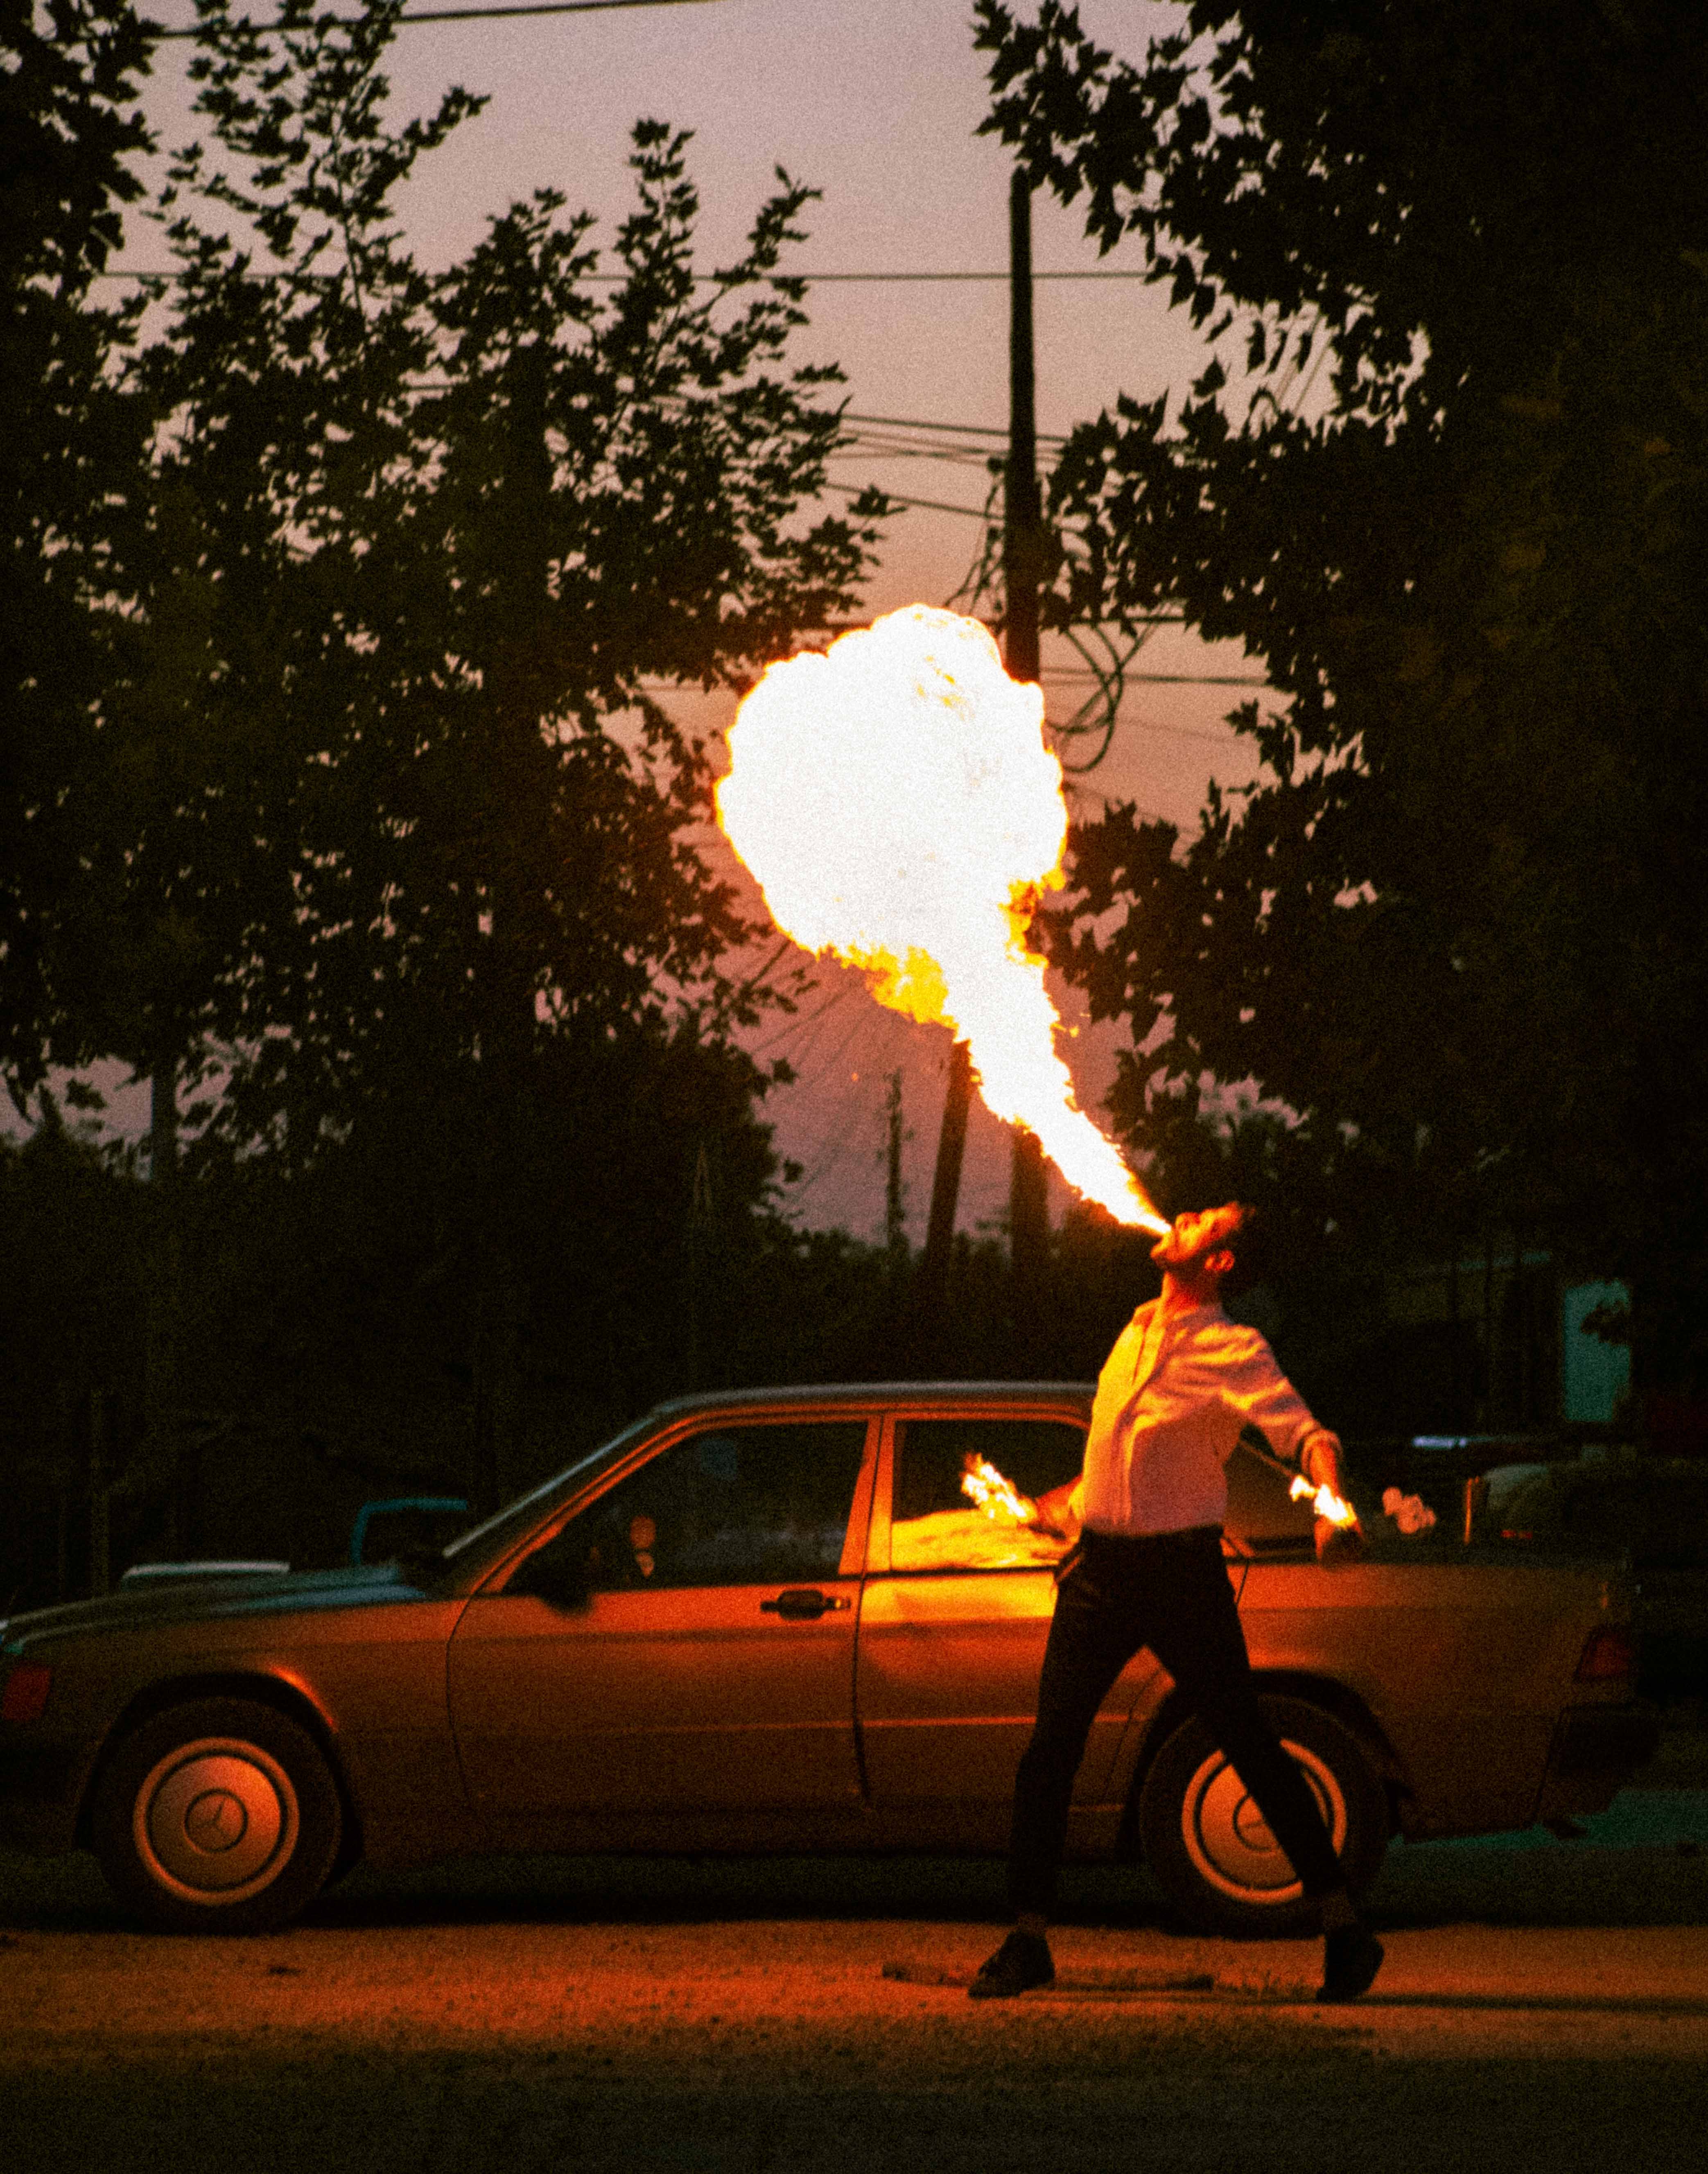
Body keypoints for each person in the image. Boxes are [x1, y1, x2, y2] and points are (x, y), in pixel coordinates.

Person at [969, 1202, 1385, 2004]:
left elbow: (1306, 1436)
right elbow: (1125, 1457)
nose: (1182, 1217)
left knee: (1248, 1746)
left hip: (1180, 1577)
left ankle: (1344, 1930)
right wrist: (1058, 1503)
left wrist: (1333, 1510)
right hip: (1098, 1575)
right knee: (1049, 1750)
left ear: (1221, 1262)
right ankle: (1027, 1941)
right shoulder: (1133, 1329)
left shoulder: (1234, 1350)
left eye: (1204, 1221)